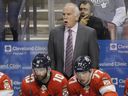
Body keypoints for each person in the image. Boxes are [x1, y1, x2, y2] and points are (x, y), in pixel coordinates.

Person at [48, 3, 99, 78]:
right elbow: (51, 59)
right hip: (60, 79)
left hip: (82, 79)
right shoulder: (54, 33)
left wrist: (90, 79)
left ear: (77, 17)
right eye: (64, 14)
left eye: (68, 14)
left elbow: (94, 60)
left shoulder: (89, 33)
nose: (65, 17)